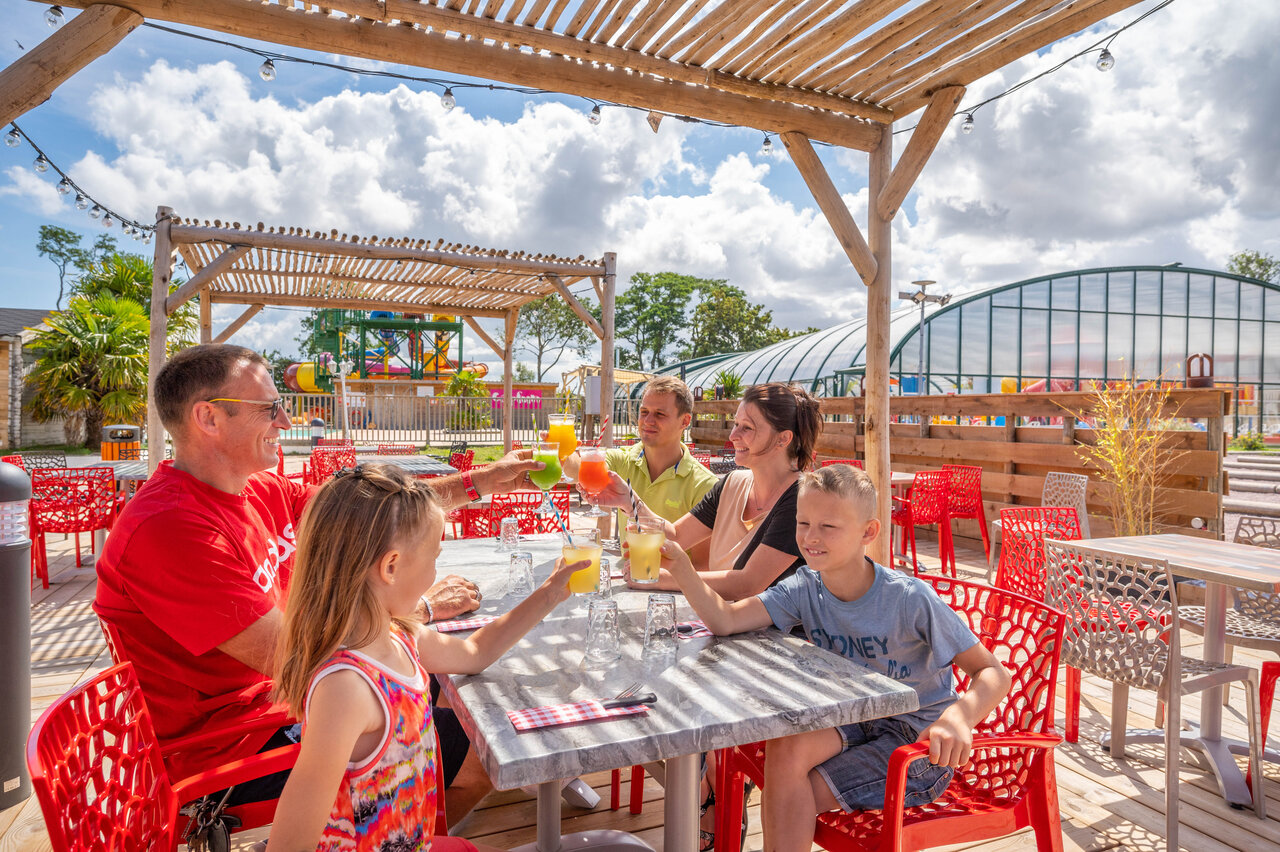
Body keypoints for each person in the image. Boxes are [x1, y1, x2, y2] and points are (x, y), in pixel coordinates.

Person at [93, 343, 541, 825]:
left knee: (441, 687)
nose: (285, 422)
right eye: (270, 408)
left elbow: (378, 511)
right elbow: (298, 659)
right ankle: (400, 836)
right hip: (226, 750)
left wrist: (484, 482)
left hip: (277, 708)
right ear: (208, 418)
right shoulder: (170, 528)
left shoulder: (256, 488)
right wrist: (421, 612)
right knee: (481, 742)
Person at [661, 465, 1012, 852]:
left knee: (794, 797)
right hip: (850, 718)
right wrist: (682, 568)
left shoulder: (908, 598)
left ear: (868, 532)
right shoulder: (804, 587)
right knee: (786, 749)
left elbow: (992, 671)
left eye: (828, 527)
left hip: (917, 744)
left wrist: (960, 717)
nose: (811, 538)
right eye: (803, 522)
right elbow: (727, 620)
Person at [268, 463, 580, 850]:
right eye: (435, 558)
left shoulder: (399, 635)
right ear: (391, 566)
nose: (437, 572)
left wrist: (550, 593)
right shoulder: (344, 688)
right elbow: (289, 841)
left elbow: (475, 651)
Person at [590, 382, 822, 600]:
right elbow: (676, 535)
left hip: (778, 638)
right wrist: (630, 502)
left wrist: (666, 579)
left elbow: (748, 584)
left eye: (747, 428)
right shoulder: (732, 483)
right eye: (735, 424)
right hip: (720, 622)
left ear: (783, 439)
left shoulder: (801, 498)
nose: (733, 436)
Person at [562, 376, 717, 552]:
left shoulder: (704, 485)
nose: (648, 421)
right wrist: (563, 455)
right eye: (644, 412)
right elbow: (580, 468)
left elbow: (701, 568)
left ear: (685, 421)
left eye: (660, 414)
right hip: (627, 576)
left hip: (671, 580)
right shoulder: (624, 460)